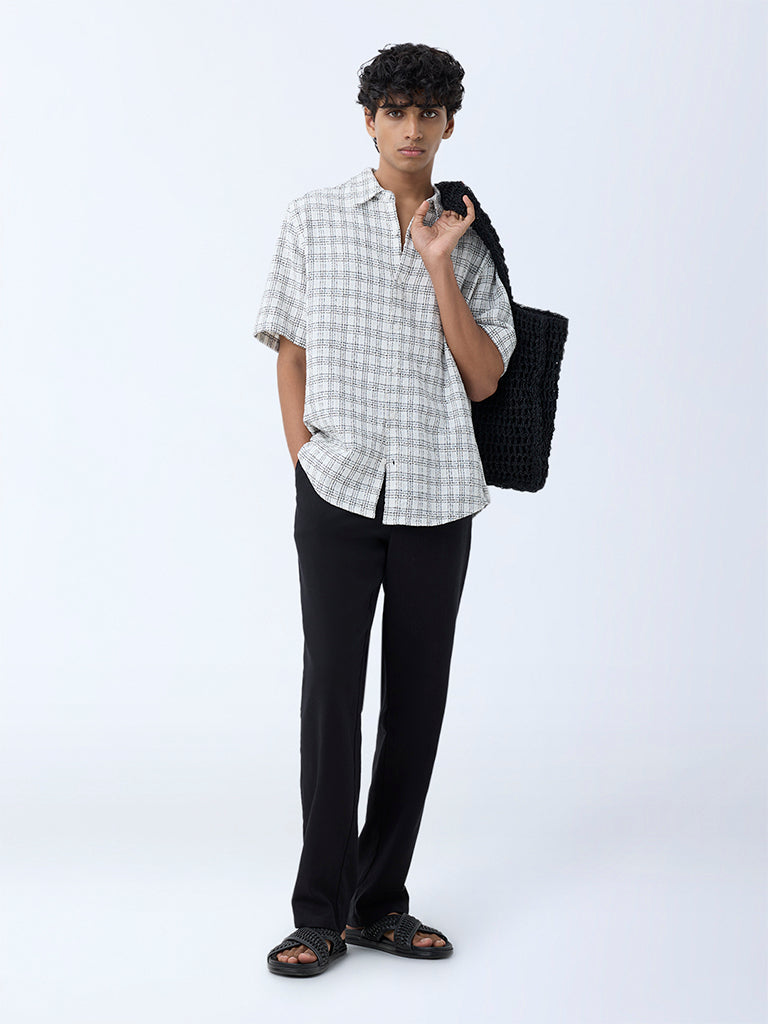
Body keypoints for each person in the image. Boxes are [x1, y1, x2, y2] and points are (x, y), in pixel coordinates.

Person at [254, 42, 516, 977]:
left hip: (437, 493)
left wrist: (440, 262)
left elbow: (484, 380)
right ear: (369, 119)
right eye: (396, 110)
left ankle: (379, 904)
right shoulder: (314, 218)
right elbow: (289, 348)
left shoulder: (469, 237)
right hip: (336, 485)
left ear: (449, 124)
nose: (412, 128)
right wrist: (304, 454)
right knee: (332, 691)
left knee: (417, 699)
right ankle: (317, 913)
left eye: (428, 112)